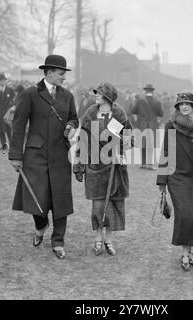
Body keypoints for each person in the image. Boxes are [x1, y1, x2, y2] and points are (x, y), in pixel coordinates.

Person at [8, 55, 79, 260]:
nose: (64, 78)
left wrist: (71, 126)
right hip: (35, 155)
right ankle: (40, 226)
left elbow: (73, 118)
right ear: (48, 72)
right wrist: (16, 156)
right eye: (61, 74)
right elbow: (19, 125)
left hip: (60, 155)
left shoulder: (67, 96)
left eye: (64, 74)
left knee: (60, 198)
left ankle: (58, 241)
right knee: (36, 196)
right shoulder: (30, 93)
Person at [73, 82, 133, 256]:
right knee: (98, 205)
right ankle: (98, 238)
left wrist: (120, 146)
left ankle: (109, 239)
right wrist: (79, 165)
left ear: (107, 97)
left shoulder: (119, 114)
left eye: (99, 93)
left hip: (115, 168)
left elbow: (129, 136)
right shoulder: (90, 114)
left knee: (113, 204)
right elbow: (82, 141)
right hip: (95, 166)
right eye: (96, 93)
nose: (96, 96)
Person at [157, 92, 193, 270]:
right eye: (181, 104)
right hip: (177, 177)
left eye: (187, 104)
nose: (184, 107)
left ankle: (189, 251)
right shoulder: (171, 126)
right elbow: (165, 152)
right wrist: (162, 182)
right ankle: (185, 254)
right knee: (186, 215)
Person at [131, 84, 163, 169]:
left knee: (143, 144)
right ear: (152, 91)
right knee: (151, 145)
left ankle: (142, 164)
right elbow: (161, 114)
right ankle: (150, 164)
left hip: (142, 125)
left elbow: (133, 111)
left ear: (145, 91)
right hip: (152, 126)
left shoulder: (140, 101)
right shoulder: (157, 102)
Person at [0, 73, 15, 151]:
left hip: (7, 113)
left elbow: (14, 101)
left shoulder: (10, 90)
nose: (2, 82)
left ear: (5, 81)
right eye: (0, 81)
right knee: (0, 130)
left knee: (9, 130)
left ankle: (12, 145)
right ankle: (4, 145)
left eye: (3, 80)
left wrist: (12, 110)